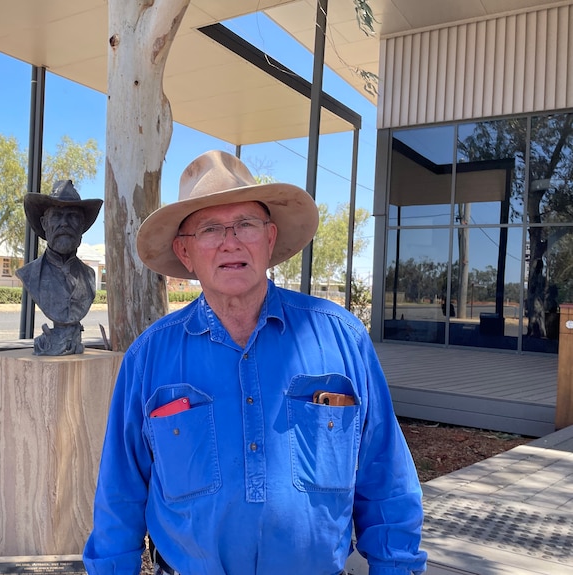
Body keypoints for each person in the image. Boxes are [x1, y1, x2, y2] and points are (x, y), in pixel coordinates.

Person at [83, 150, 427, 574]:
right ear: (185, 253)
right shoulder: (148, 358)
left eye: (245, 224)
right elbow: (119, 495)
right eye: (210, 228)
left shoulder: (342, 339)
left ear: (269, 238)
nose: (231, 241)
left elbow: (386, 477)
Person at [16, 179, 103, 355]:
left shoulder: (89, 276)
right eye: (56, 216)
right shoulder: (29, 274)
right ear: (44, 223)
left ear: (82, 225)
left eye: (72, 216)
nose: (64, 223)